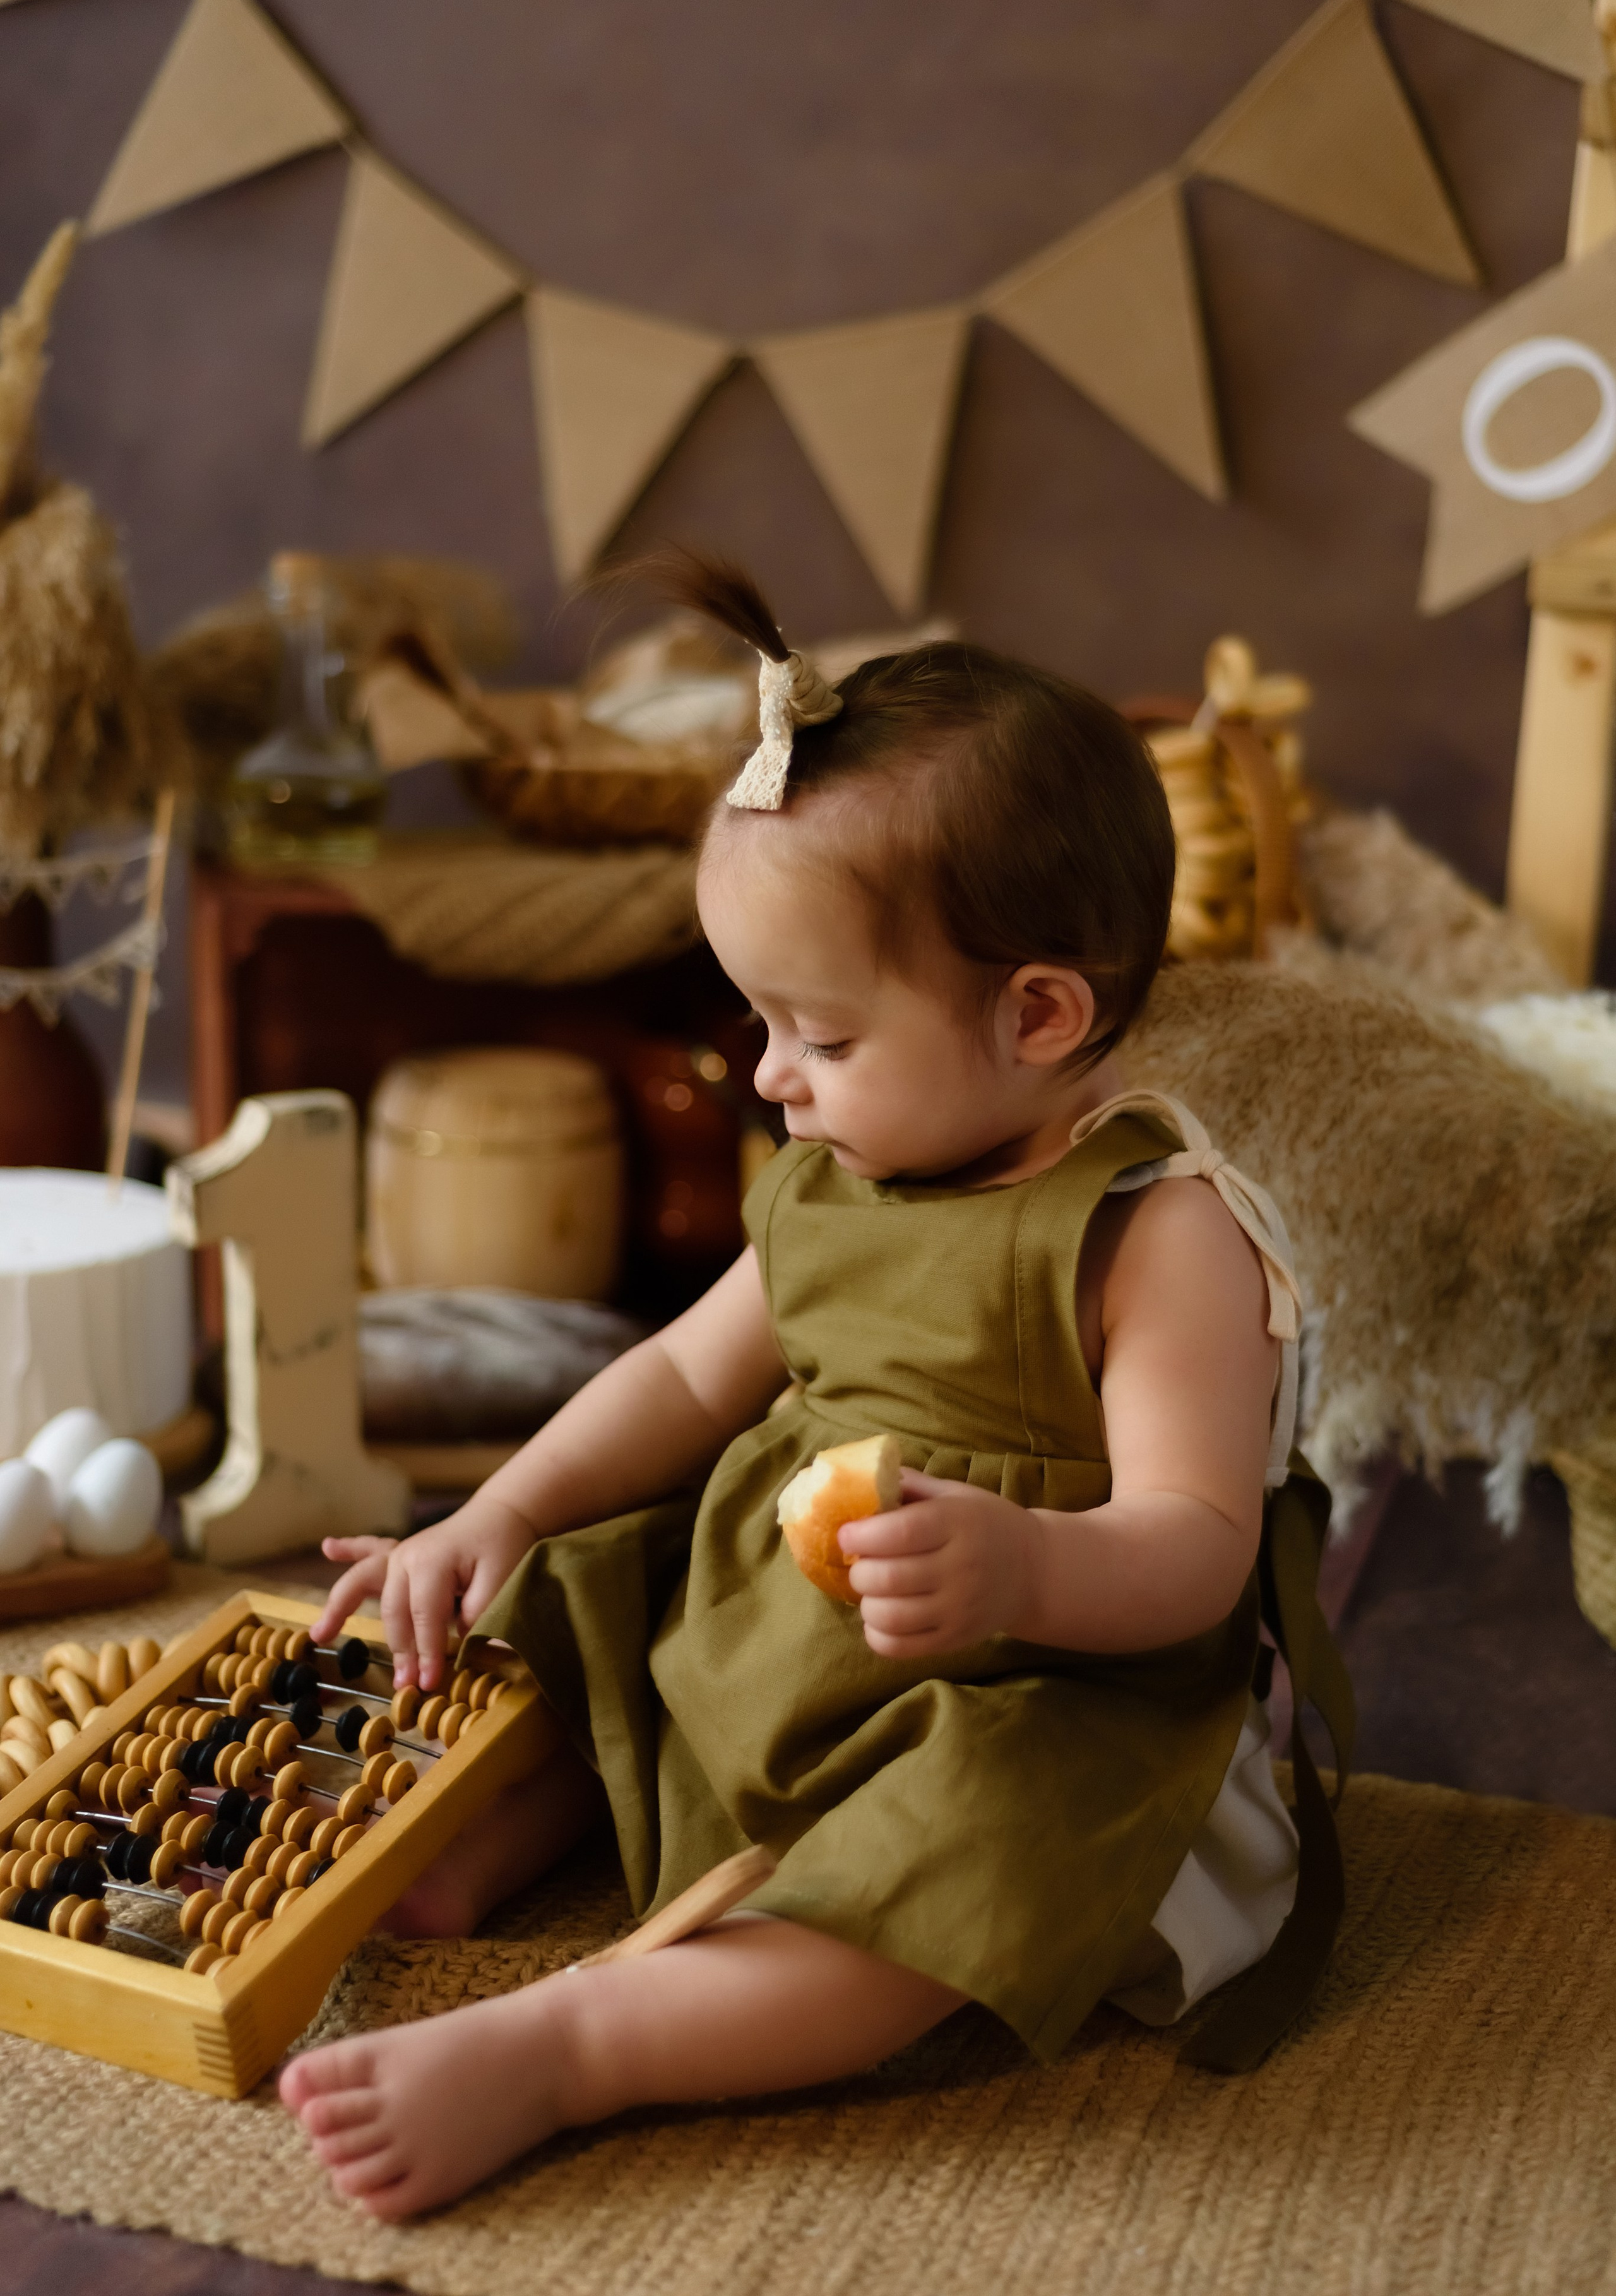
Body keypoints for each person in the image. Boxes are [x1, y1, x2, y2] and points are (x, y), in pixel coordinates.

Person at [280, 556, 1352, 2218]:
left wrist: (1023, 1565)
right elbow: (675, 1375)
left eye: (822, 1034)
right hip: (783, 1633)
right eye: (761, 1019)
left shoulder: (1155, 1234)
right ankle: (502, 1822)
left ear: (1041, 1012)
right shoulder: (828, 1175)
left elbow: (1197, 1541)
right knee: (579, 1589)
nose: (770, 1073)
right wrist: (491, 1510)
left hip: (1025, 1687)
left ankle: (586, 2040)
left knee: (959, 1868)